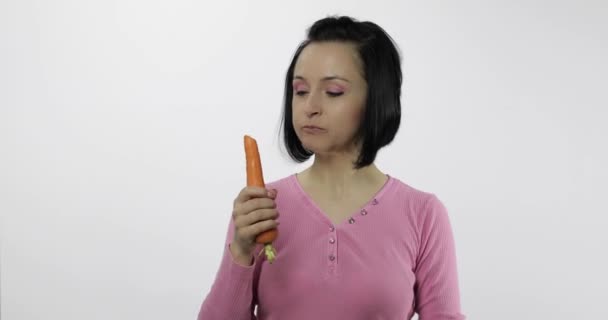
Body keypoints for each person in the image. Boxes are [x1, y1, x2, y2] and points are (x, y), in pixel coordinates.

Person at [197, 15, 465, 320]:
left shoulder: (423, 214)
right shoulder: (260, 207)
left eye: (333, 91)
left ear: (377, 99)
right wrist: (241, 251)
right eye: (300, 91)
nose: (310, 106)